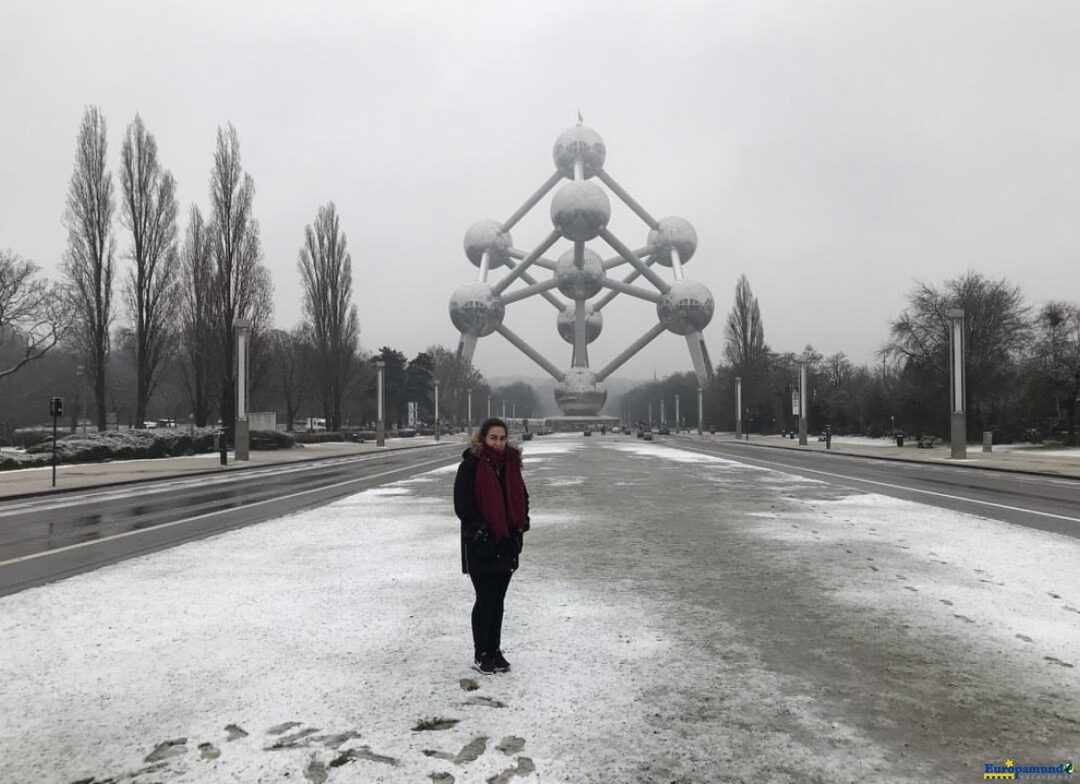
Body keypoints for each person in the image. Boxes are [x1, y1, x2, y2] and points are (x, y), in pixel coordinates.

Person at [454, 417, 529, 674]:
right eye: (493, 438)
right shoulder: (471, 466)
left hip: (507, 543)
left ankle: (495, 650)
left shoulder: (511, 465)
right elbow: (463, 506)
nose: (498, 443)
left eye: (502, 438)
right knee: (485, 599)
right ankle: (481, 652)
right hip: (481, 545)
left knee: (498, 601)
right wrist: (483, 531)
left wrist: (521, 525)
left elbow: (522, 496)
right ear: (483, 439)